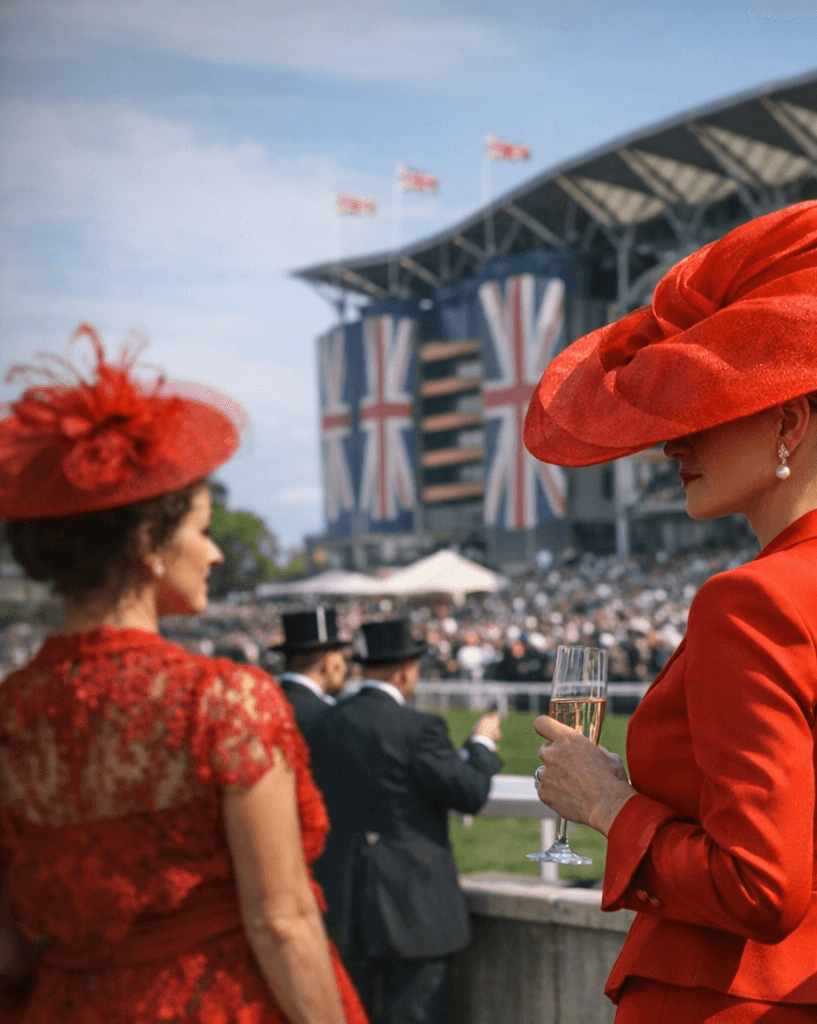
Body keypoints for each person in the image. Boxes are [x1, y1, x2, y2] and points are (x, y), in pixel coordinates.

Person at [522, 186, 817, 1021]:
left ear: (787, 423)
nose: (675, 441)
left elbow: (758, 889)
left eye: (703, 412)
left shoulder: (750, 601)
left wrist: (606, 803)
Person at [0, 326, 366, 1023]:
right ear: (148, 546)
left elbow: (10, 953)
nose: (216, 554)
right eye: (202, 529)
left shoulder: (11, 713)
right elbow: (282, 920)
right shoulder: (222, 701)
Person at [307, 618, 502, 1024]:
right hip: (416, 912)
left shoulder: (325, 723)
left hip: (346, 908)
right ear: (406, 671)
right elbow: (468, 792)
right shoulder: (418, 728)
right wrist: (482, 745)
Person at [272, 607, 351, 739]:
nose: (344, 667)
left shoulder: (265, 704)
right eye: (340, 655)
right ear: (328, 661)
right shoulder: (331, 715)